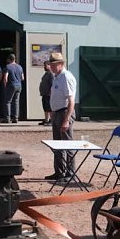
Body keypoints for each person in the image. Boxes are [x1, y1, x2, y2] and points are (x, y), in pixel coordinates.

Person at [45, 51, 76, 180]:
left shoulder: (66, 77)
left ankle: (70, 173)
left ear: (61, 64)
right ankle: (59, 171)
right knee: (57, 144)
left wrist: (66, 119)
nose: (51, 67)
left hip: (64, 112)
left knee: (67, 144)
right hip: (57, 112)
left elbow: (71, 101)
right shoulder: (57, 77)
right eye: (50, 64)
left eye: (54, 64)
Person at [1, 53, 24, 123]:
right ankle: (15, 118)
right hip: (19, 85)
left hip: (11, 85)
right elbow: (22, 78)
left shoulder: (7, 67)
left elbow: (5, 78)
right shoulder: (20, 67)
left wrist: (5, 86)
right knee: (16, 102)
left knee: (8, 102)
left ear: (9, 59)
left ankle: (7, 118)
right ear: (14, 59)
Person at [38, 60, 54, 125]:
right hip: (44, 94)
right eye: (44, 65)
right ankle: (46, 120)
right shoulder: (46, 73)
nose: (44, 67)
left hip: (48, 94)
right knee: (45, 108)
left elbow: (52, 84)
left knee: (49, 108)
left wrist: (50, 93)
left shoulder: (51, 74)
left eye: (45, 65)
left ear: (49, 65)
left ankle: (52, 120)